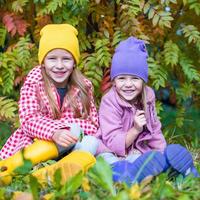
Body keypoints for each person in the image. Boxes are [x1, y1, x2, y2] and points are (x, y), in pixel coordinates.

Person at [96, 36, 199, 185]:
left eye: (135, 78)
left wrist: (163, 152)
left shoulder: (147, 96)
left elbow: (154, 130)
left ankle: (176, 168)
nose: (128, 84)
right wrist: (136, 129)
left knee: (153, 159)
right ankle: (125, 175)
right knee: (108, 162)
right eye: (122, 78)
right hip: (111, 151)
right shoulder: (109, 101)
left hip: (137, 152)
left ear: (143, 81)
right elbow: (111, 141)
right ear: (113, 81)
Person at [0, 24, 99, 160]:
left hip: (71, 142)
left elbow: (93, 125)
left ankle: (67, 170)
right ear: (43, 62)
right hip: (37, 145)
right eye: (52, 58)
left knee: (91, 142)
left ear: (74, 62)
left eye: (66, 59)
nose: (59, 65)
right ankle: (39, 171)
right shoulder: (34, 83)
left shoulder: (84, 86)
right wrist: (54, 131)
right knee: (73, 129)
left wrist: (68, 128)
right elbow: (28, 120)